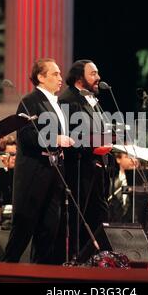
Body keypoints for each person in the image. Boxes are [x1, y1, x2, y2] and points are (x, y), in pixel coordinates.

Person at [3, 58, 74, 264]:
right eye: (55, 74)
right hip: (34, 172)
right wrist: (55, 139)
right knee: (23, 227)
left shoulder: (58, 103)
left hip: (54, 171)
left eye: (60, 74)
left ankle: (39, 273)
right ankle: (5, 270)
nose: (60, 78)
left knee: (49, 228)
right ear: (41, 77)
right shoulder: (30, 100)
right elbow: (25, 136)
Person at [58, 59, 110, 260]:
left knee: (100, 216)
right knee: (79, 218)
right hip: (79, 167)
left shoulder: (92, 99)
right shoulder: (67, 99)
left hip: (97, 166)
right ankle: (74, 259)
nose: (98, 78)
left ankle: (102, 258)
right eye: (93, 73)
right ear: (80, 77)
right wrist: (94, 146)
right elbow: (70, 135)